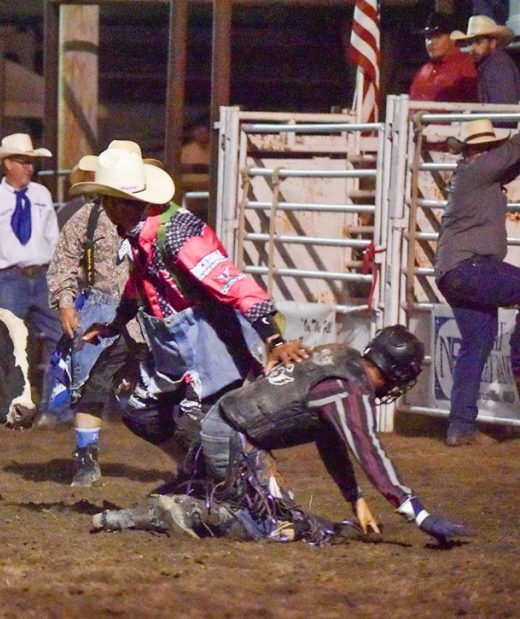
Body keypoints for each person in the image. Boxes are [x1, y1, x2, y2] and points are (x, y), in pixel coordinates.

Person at [92, 326, 472, 548]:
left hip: (226, 425)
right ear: (398, 374)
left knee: (279, 512)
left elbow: (329, 436)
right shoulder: (350, 389)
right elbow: (369, 450)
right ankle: (168, 511)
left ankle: (178, 498)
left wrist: (354, 497)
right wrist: (417, 512)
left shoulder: (339, 357)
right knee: (274, 525)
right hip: (234, 437)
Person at [77, 142, 309, 486]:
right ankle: (194, 474)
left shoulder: (177, 233)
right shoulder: (138, 235)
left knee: (217, 427)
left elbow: (233, 283)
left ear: (119, 203)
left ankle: (267, 496)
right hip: (175, 349)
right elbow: (139, 288)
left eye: (105, 201)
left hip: (212, 347)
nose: (103, 210)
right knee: (139, 410)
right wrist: (113, 325)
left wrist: (274, 339)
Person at [46, 144, 148, 486]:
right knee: (92, 383)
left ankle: (190, 457)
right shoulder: (87, 217)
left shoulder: (154, 216)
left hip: (148, 311)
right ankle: (86, 460)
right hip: (102, 308)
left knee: (171, 384)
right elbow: (64, 260)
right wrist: (65, 301)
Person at [0, 133, 61, 430]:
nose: (30, 167)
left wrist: (61, 279)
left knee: (63, 337)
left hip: (42, 276)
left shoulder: (41, 195)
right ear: (8, 164)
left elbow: (54, 240)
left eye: (31, 162)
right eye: (24, 162)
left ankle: (55, 410)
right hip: (9, 279)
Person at [435, 119, 520, 446]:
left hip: (455, 272)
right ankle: (519, 363)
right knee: (476, 345)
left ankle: (460, 427)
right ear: (484, 150)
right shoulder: (479, 170)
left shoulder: (473, 175)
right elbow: (514, 151)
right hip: (471, 268)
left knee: (476, 345)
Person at [409, 12, 479, 103]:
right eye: (428, 37)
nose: (431, 42)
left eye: (438, 36)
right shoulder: (424, 69)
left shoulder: (464, 65)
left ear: (452, 39)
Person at [450, 15, 520, 105]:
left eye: (478, 42)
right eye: (469, 43)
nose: (472, 48)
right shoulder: (490, 63)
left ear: (492, 43)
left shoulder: (498, 65)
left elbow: (503, 108)